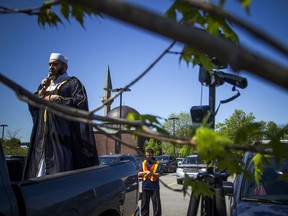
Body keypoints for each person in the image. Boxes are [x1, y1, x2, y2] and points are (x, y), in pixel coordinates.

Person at [24, 52, 99, 178]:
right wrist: (40, 93)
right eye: (49, 64)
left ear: (64, 66)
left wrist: (59, 100)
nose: (51, 67)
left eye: (55, 64)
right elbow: (33, 105)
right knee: (37, 174)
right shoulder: (45, 85)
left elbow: (80, 103)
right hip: (42, 138)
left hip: (62, 138)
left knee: (59, 173)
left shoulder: (72, 83)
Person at [138, 149, 162, 216]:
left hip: (154, 187)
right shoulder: (143, 163)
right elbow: (138, 173)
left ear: (152, 154)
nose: (148, 156)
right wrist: (144, 172)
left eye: (149, 155)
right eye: (147, 155)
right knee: (144, 205)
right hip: (145, 187)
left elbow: (159, 174)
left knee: (156, 206)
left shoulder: (157, 163)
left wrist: (151, 174)